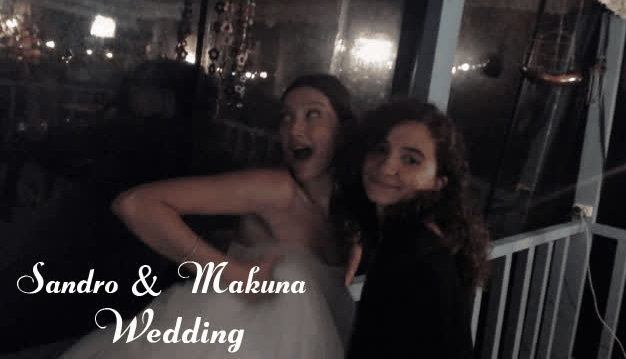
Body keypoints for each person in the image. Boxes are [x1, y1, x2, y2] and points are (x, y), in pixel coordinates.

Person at [59, 73, 364, 359]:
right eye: (286, 117)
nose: (294, 129)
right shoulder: (276, 188)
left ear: (344, 130)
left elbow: (340, 277)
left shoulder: (350, 208)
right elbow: (135, 205)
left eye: (313, 114)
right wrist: (231, 274)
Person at [347, 99, 489, 359]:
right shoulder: (431, 236)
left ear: (438, 181)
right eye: (381, 149)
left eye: (411, 160)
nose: (386, 167)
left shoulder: (410, 250)